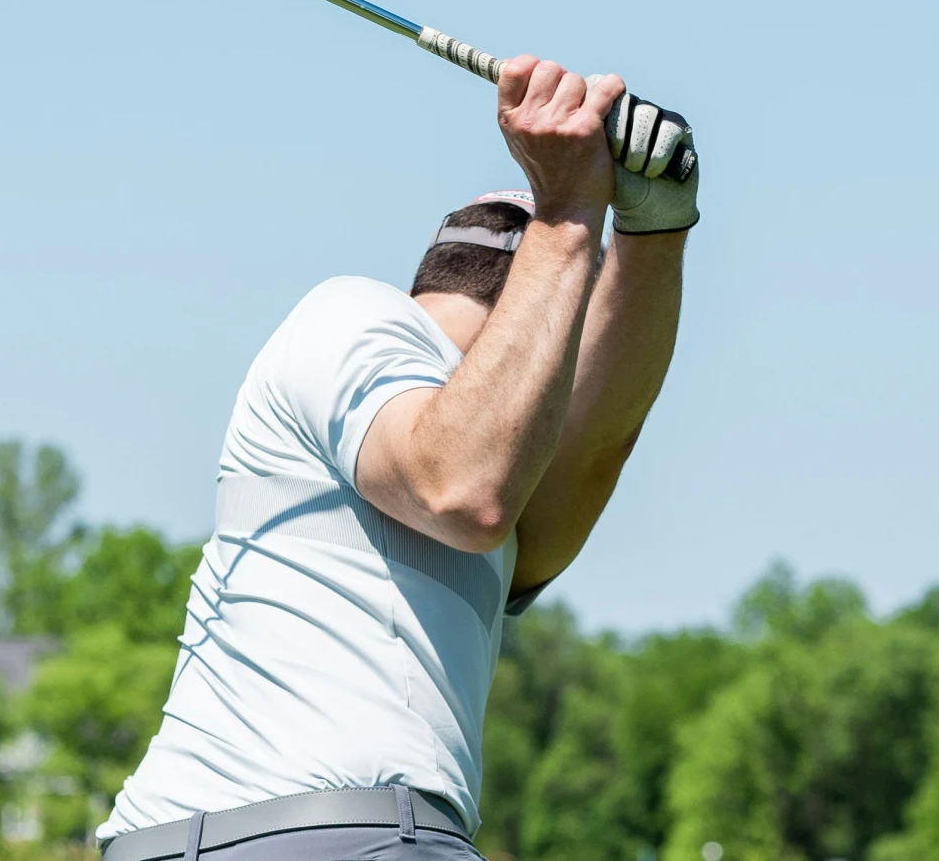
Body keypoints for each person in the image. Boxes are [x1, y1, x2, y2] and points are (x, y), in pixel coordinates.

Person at [97, 55, 698, 861]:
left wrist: (655, 233)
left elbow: (594, 444)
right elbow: (463, 486)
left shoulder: (506, 512)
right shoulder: (349, 318)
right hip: (278, 831)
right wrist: (569, 215)